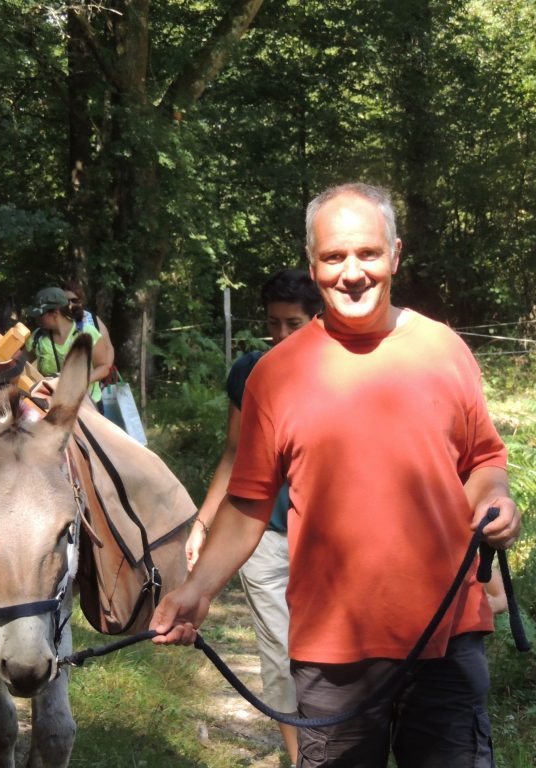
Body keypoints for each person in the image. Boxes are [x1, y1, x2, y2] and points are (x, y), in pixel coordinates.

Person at [152, 182, 521, 768]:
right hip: (332, 653)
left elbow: (482, 460)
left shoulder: (444, 349)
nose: (352, 273)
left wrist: (496, 500)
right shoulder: (275, 375)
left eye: (368, 254)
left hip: (447, 639)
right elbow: (249, 504)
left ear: (395, 256)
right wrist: (198, 591)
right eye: (333, 257)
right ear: (313, 265)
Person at [185, 267, 323, 767]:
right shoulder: (249, 371)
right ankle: (300, 760)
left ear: (317, 318)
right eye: (273, 322)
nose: (280, 334)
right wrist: (203, 522)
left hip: (326, 540)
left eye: (293, 323)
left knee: (330, 657)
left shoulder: (339, 371)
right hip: (261, 536)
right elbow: (233, 452)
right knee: (281, 658)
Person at [25, 285, 111, 408]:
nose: (37, 319)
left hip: (87, 405)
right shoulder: (37, 338)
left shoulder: (87, 333)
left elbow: (104, 367)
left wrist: (81, 381)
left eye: (40, 314)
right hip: (52, 406)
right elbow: (21, 365)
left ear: (55, 313)